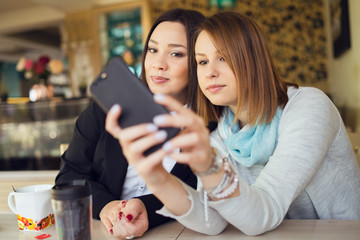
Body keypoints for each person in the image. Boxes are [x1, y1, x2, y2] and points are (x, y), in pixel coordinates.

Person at [105, 11, 360, 236]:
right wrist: (159, 179)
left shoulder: (308, 106)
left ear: (253, 59)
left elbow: (265, 210)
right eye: (202, 61)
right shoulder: (223, 132)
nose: (209, 72)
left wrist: (208, 166)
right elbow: (212, 219)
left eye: (223, 58)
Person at [55, 8, 205, 239]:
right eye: (153, 50)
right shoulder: (106, 108)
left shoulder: (209, 126)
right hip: (101, 231)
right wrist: (106, 206)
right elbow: (69, 177)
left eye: (176, 54)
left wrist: (147, 208)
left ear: (198, 61)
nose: (158, 64)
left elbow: (200, 195)